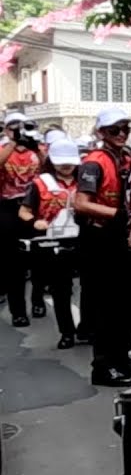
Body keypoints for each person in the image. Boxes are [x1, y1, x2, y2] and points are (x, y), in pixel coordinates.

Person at [75, 107, 131, 386]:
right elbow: (81, 203)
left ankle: (122, 359)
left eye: (125, 129)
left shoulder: (127, 157)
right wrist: (119, 215)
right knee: (105, 304)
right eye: (114, 130)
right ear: (101, 132)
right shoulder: (94, 162)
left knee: (127, 302)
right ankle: (103, 365)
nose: (121, 134)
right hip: (100, 238)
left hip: (123, 237)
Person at [18, 138, 80, 347]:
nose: (66, 166)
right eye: (61, 161)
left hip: (83, 241)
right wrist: (36, 222)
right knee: (60, 290)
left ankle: (87, 328)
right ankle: (67, 333)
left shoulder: (86, 180)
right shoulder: (41, 183)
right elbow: (24, 211)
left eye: (70, 161)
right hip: (52, 242)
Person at [1, 112, 44, 326]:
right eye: (13, 126)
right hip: (8, 209)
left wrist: (35, 147)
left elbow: (51, 169)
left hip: (34, 208)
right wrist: (13, 143)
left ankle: (38, 300)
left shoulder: (36, 150)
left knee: (39, 259)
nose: (19, 129)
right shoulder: (3, 149)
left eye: (23, 126)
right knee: (13, 264)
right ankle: (18, 311)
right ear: (6, 130)